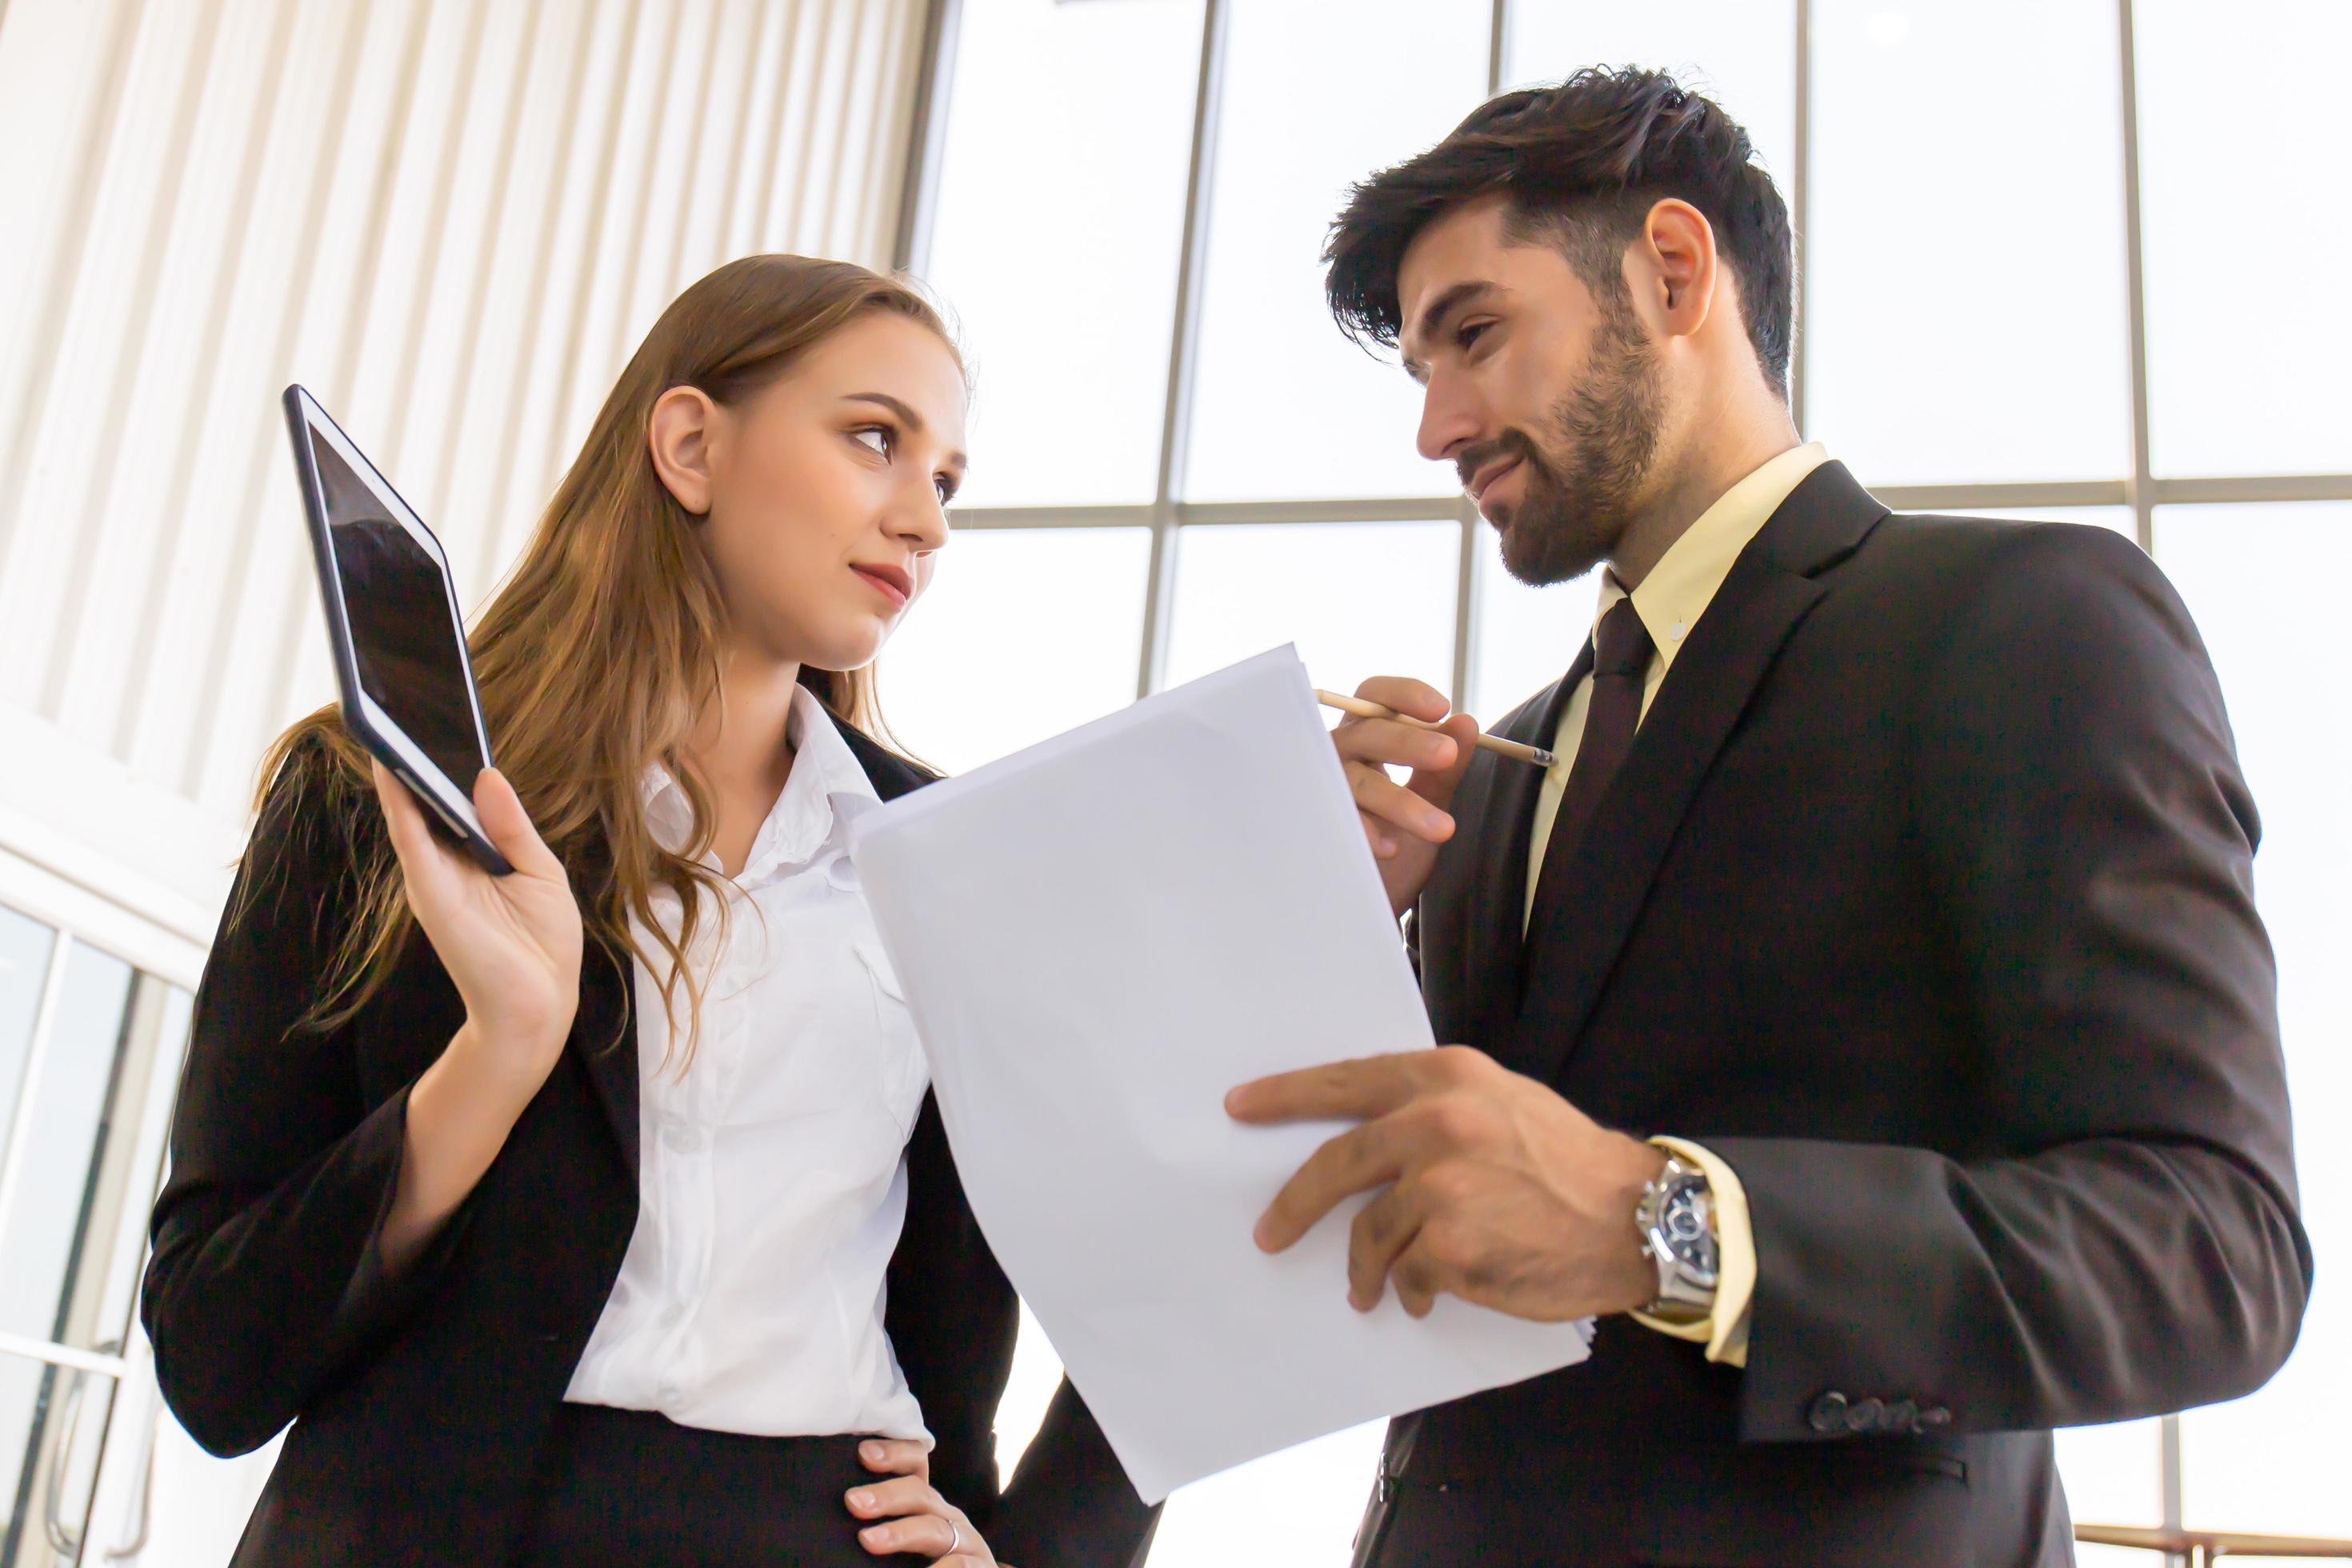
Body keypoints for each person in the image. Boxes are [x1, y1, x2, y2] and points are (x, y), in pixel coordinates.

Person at [1225, 67, 2310, 1566]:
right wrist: (1326, 936)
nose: (1437, 427)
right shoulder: (1505, 773)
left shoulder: (2025, 626)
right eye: (1418, 371)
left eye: (1473, 336)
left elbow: (2213, 1254)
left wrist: (1662, 1225)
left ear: (1674, 271)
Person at [143, 256, 1155, 1568]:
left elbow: (1163, 1267)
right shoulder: (373, 799)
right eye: (874, 440)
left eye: (947, 479)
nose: (927, 520)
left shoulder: (960, 862)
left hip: (823, 1536)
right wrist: (496, 1060)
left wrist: (1036, 1554)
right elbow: (217, 1358)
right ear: (689, 444)